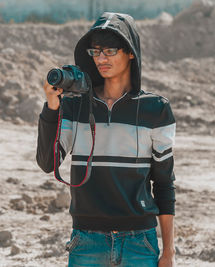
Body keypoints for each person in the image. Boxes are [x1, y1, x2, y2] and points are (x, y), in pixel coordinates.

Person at [36, 12, 176, 267]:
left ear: (130, 52)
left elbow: (164, 184)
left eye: (110, 50)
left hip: (140, 243)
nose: (101, 58)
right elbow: (48, 162)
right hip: (86, 241)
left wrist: (168, 253)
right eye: (96, 52)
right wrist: (52, 107)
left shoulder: (156, 109)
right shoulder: (73, 107)